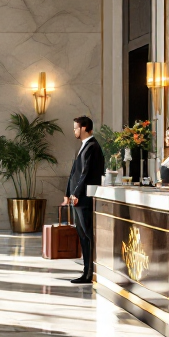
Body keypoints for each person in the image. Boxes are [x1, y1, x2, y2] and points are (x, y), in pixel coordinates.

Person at [62, 115, 105, 285]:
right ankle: (86, 272)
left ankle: (91, 272)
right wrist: (68, 193)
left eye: (76, 128)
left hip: (84, 198)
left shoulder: (93, 147)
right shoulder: (84, 146)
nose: (74, 131)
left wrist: (76, 194)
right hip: (77, 197)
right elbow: (74, 173)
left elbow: (86, 174)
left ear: (84, 128)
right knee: (82, 235)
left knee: (88, 235)